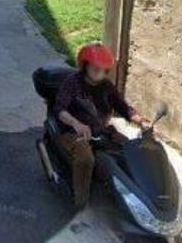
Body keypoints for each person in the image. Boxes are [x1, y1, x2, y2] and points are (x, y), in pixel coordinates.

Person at [54, 42, 151, 209]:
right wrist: (76, 123)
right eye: (95, 68)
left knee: (129, 149)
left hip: (100, 130)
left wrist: (141, 121)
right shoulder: (72, 82)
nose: (100, 73)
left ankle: (134, 197)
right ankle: (80, 201)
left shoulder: (107, 86)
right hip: (73, 132)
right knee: (85, 159)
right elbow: (59, 109)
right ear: (85, 65)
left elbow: (124, 108)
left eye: (104, 69)